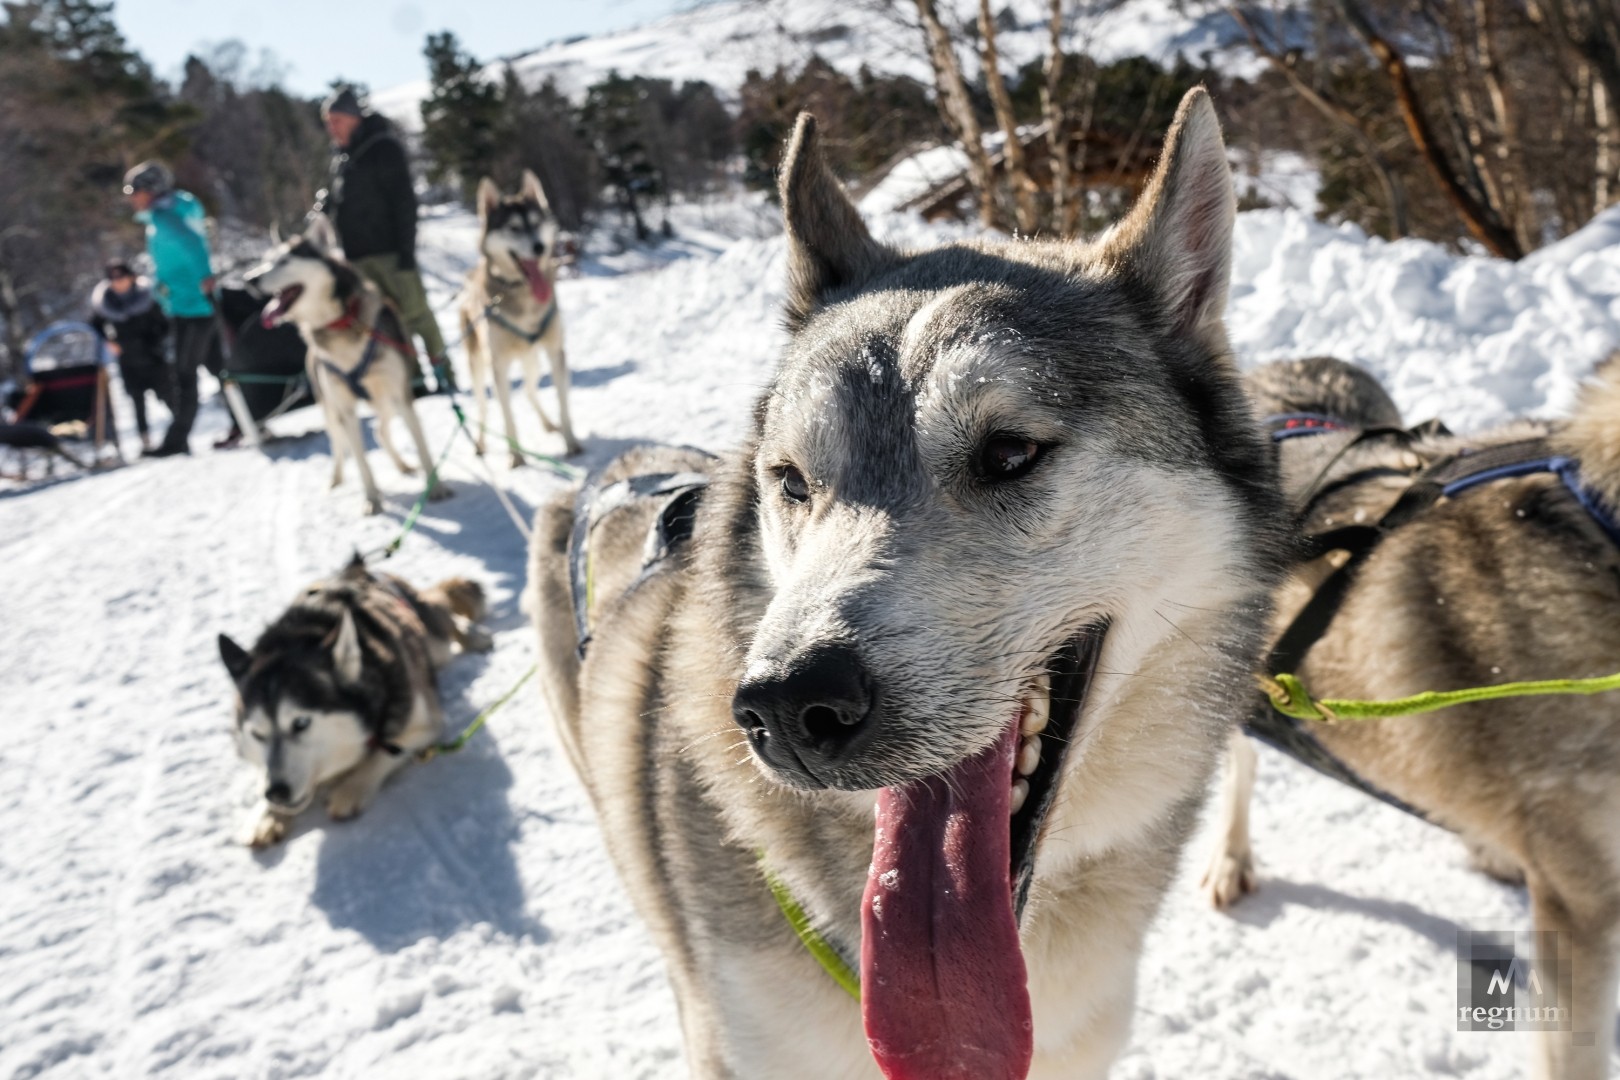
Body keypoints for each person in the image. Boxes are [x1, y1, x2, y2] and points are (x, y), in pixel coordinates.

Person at [314, 85, 455, 393]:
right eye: (328, 121)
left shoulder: (382, 148)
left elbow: (404, 203)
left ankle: (444, 375)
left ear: (353, 118)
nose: (331, 127)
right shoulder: (340, 159)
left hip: (391, 252)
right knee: (389, 323)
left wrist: (407, 252)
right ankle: (414, 380)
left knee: (417, 315)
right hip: (358, 258)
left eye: (335, 120)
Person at [122, 160, 221, 457]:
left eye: (134, 190)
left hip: (191, 306)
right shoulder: (171, 212)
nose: (131, 197)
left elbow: (192, 244)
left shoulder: (164, 217)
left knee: (184, 374)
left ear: (151, 190)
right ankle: (247, 420)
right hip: (190, 303)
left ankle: (176, 441)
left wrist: (205, 277)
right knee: (217, 367)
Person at [89, 261, 171, 452]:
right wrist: (109, 342)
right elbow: (94, 324)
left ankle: (178, 434)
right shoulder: (106, 301)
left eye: (121, 277)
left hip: (152, 355)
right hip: (127, 357)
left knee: (167, 395)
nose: (118, 282)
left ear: (131, 277)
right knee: (136, 400)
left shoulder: (146, 296)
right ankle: (145, 440)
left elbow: (164, 324)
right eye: (113, 278)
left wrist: (157, 343)